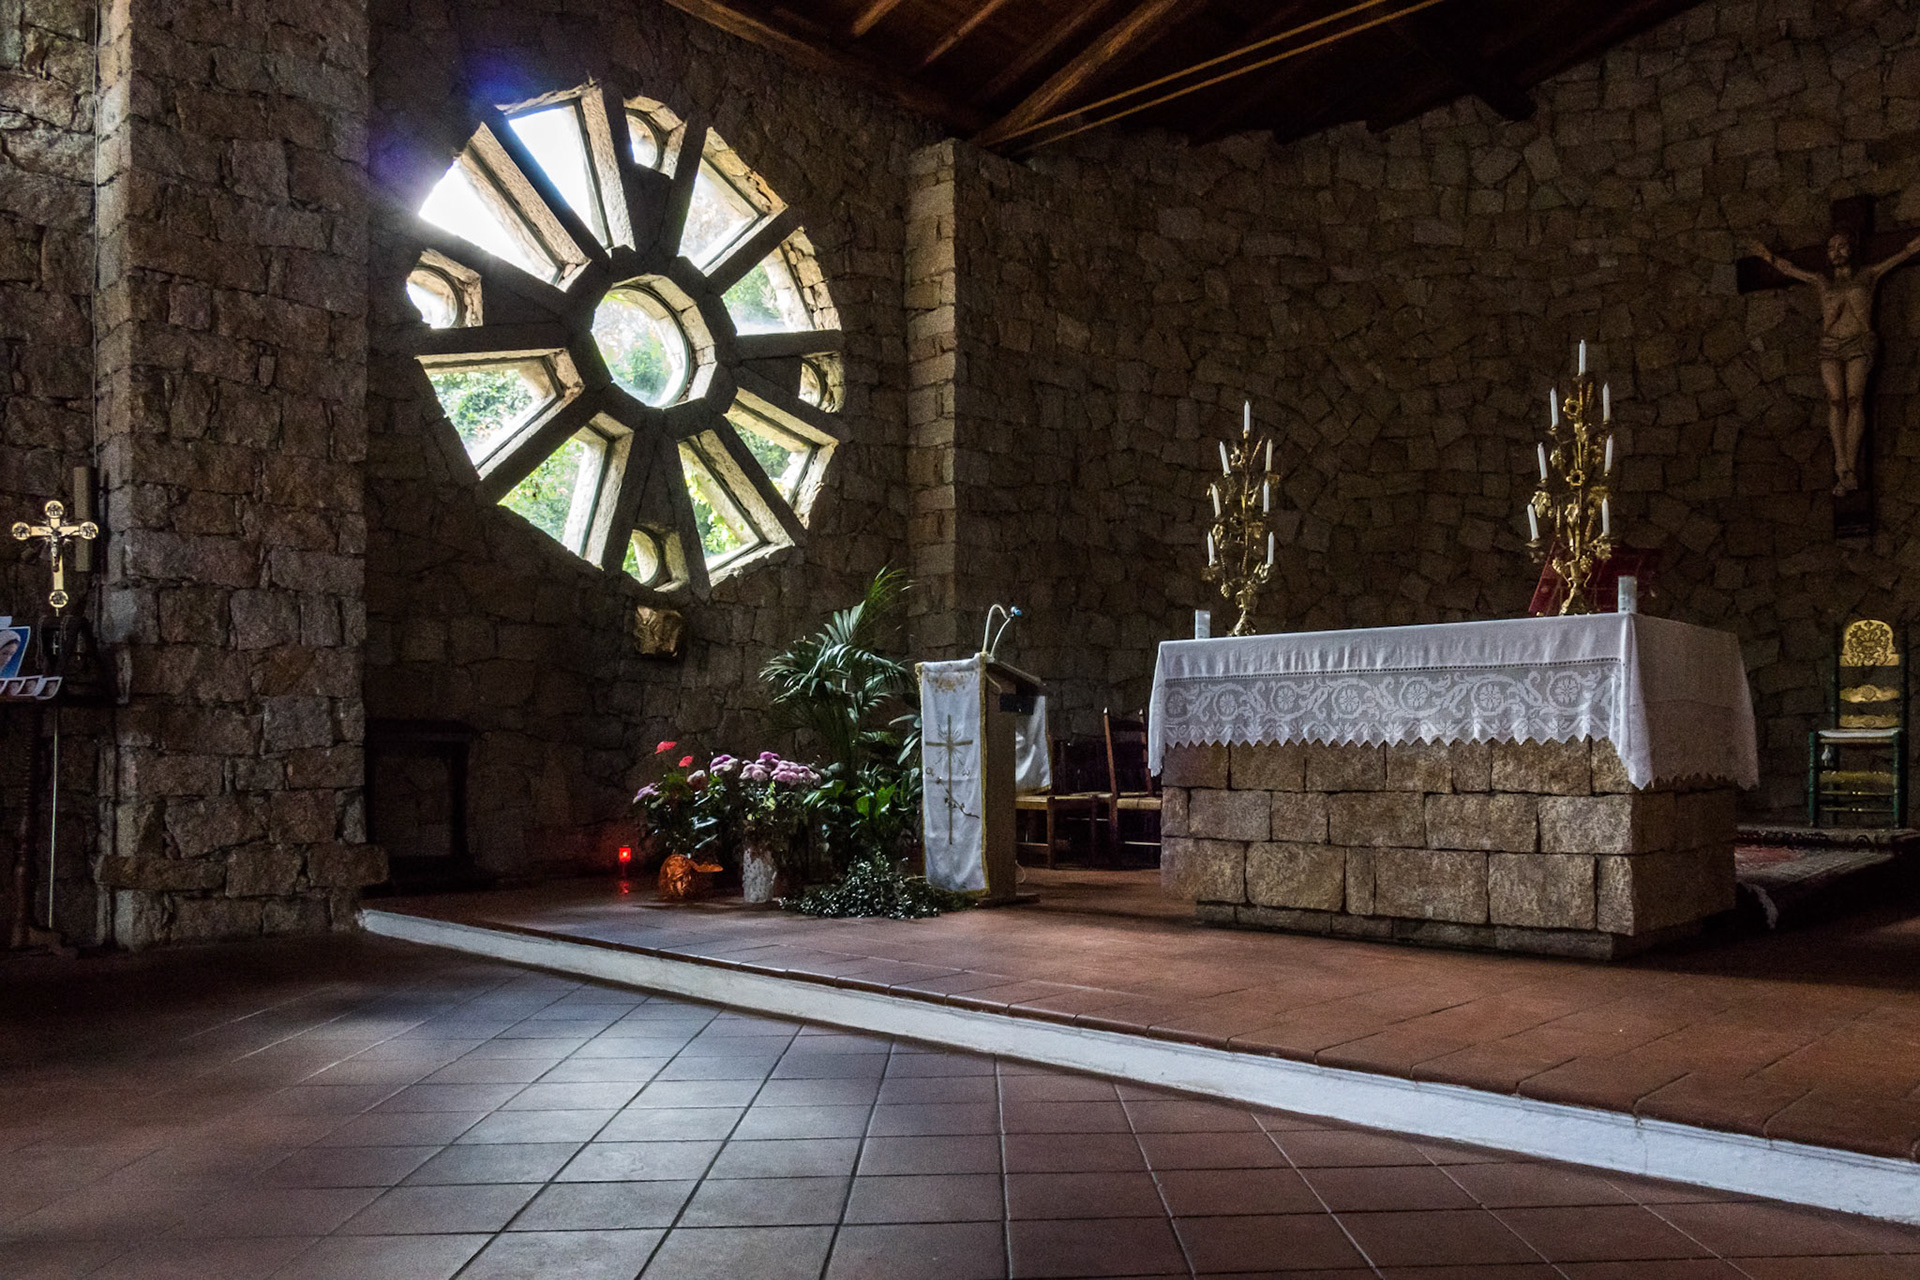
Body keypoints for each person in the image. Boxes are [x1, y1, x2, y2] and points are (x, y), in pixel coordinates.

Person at [1751, 229, 1920, 495]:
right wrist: (1766, 256)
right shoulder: (1822, 283)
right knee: (1835, 401)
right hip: (1830, 346)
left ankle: (1849, 468)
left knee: (1854, 399)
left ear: (1851, 249)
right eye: (1831, 248)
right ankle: (1840, 462)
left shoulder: (1867, 275)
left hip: (1859, 343)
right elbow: (1791, 269)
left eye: (1842, 246)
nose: (1836, 251)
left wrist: (1912, 248)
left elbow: (1901, 255)